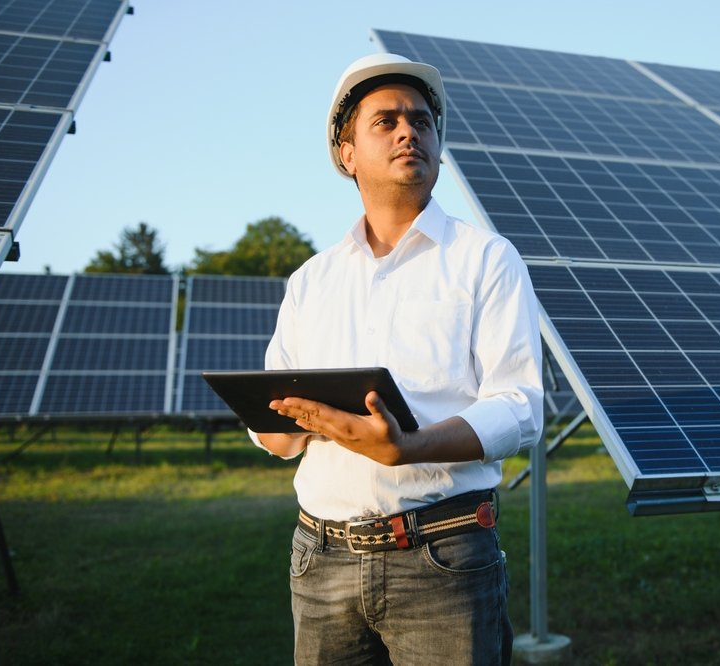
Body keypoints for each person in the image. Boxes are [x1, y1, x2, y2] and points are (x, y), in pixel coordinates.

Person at [249, 53, 544, 666]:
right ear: (346, 153)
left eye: (421, 120)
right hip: (320, 557)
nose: (409, 130)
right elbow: (276, 436)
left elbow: (519, 407)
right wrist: (276, 420)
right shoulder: (310, 281)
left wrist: (407, 448)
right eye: (385, 121)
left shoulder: (487, 259)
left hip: (444, 556)